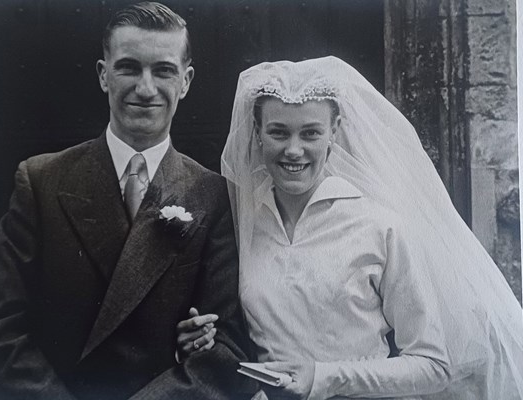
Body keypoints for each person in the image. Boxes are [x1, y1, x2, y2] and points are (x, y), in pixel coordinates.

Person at [177, 57, 523, 399]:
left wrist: (326, 377)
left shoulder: (378, 226)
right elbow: (234, 333)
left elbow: (433, 364)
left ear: (334, 131)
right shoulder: (240, 221)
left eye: (310, 133)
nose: (294, 150)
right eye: (279, 132)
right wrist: (203, 340)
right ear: (257, 134)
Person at [0, 2, 249, 399]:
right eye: (129, 67)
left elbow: (226, 347)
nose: (145, 89)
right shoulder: (42, 179)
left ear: (185, 81)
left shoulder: (213, 194)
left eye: (163, 70)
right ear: (104, 75)